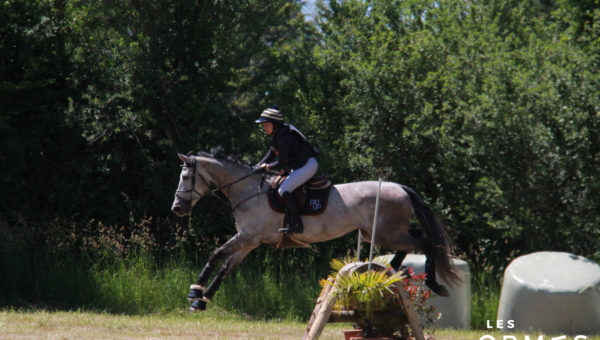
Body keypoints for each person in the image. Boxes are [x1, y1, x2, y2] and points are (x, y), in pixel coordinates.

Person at [254, 106, 319, 234]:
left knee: (283, 189)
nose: (264, 127)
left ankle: (297, 224)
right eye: (264, 125)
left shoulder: (284, 137)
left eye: (266, 124)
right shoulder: (279, 133)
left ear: (275, 124)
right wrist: (258, 164)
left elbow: (281, 163)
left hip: (308, 166)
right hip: (301, 166)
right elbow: (271, 153)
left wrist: (266, 167)